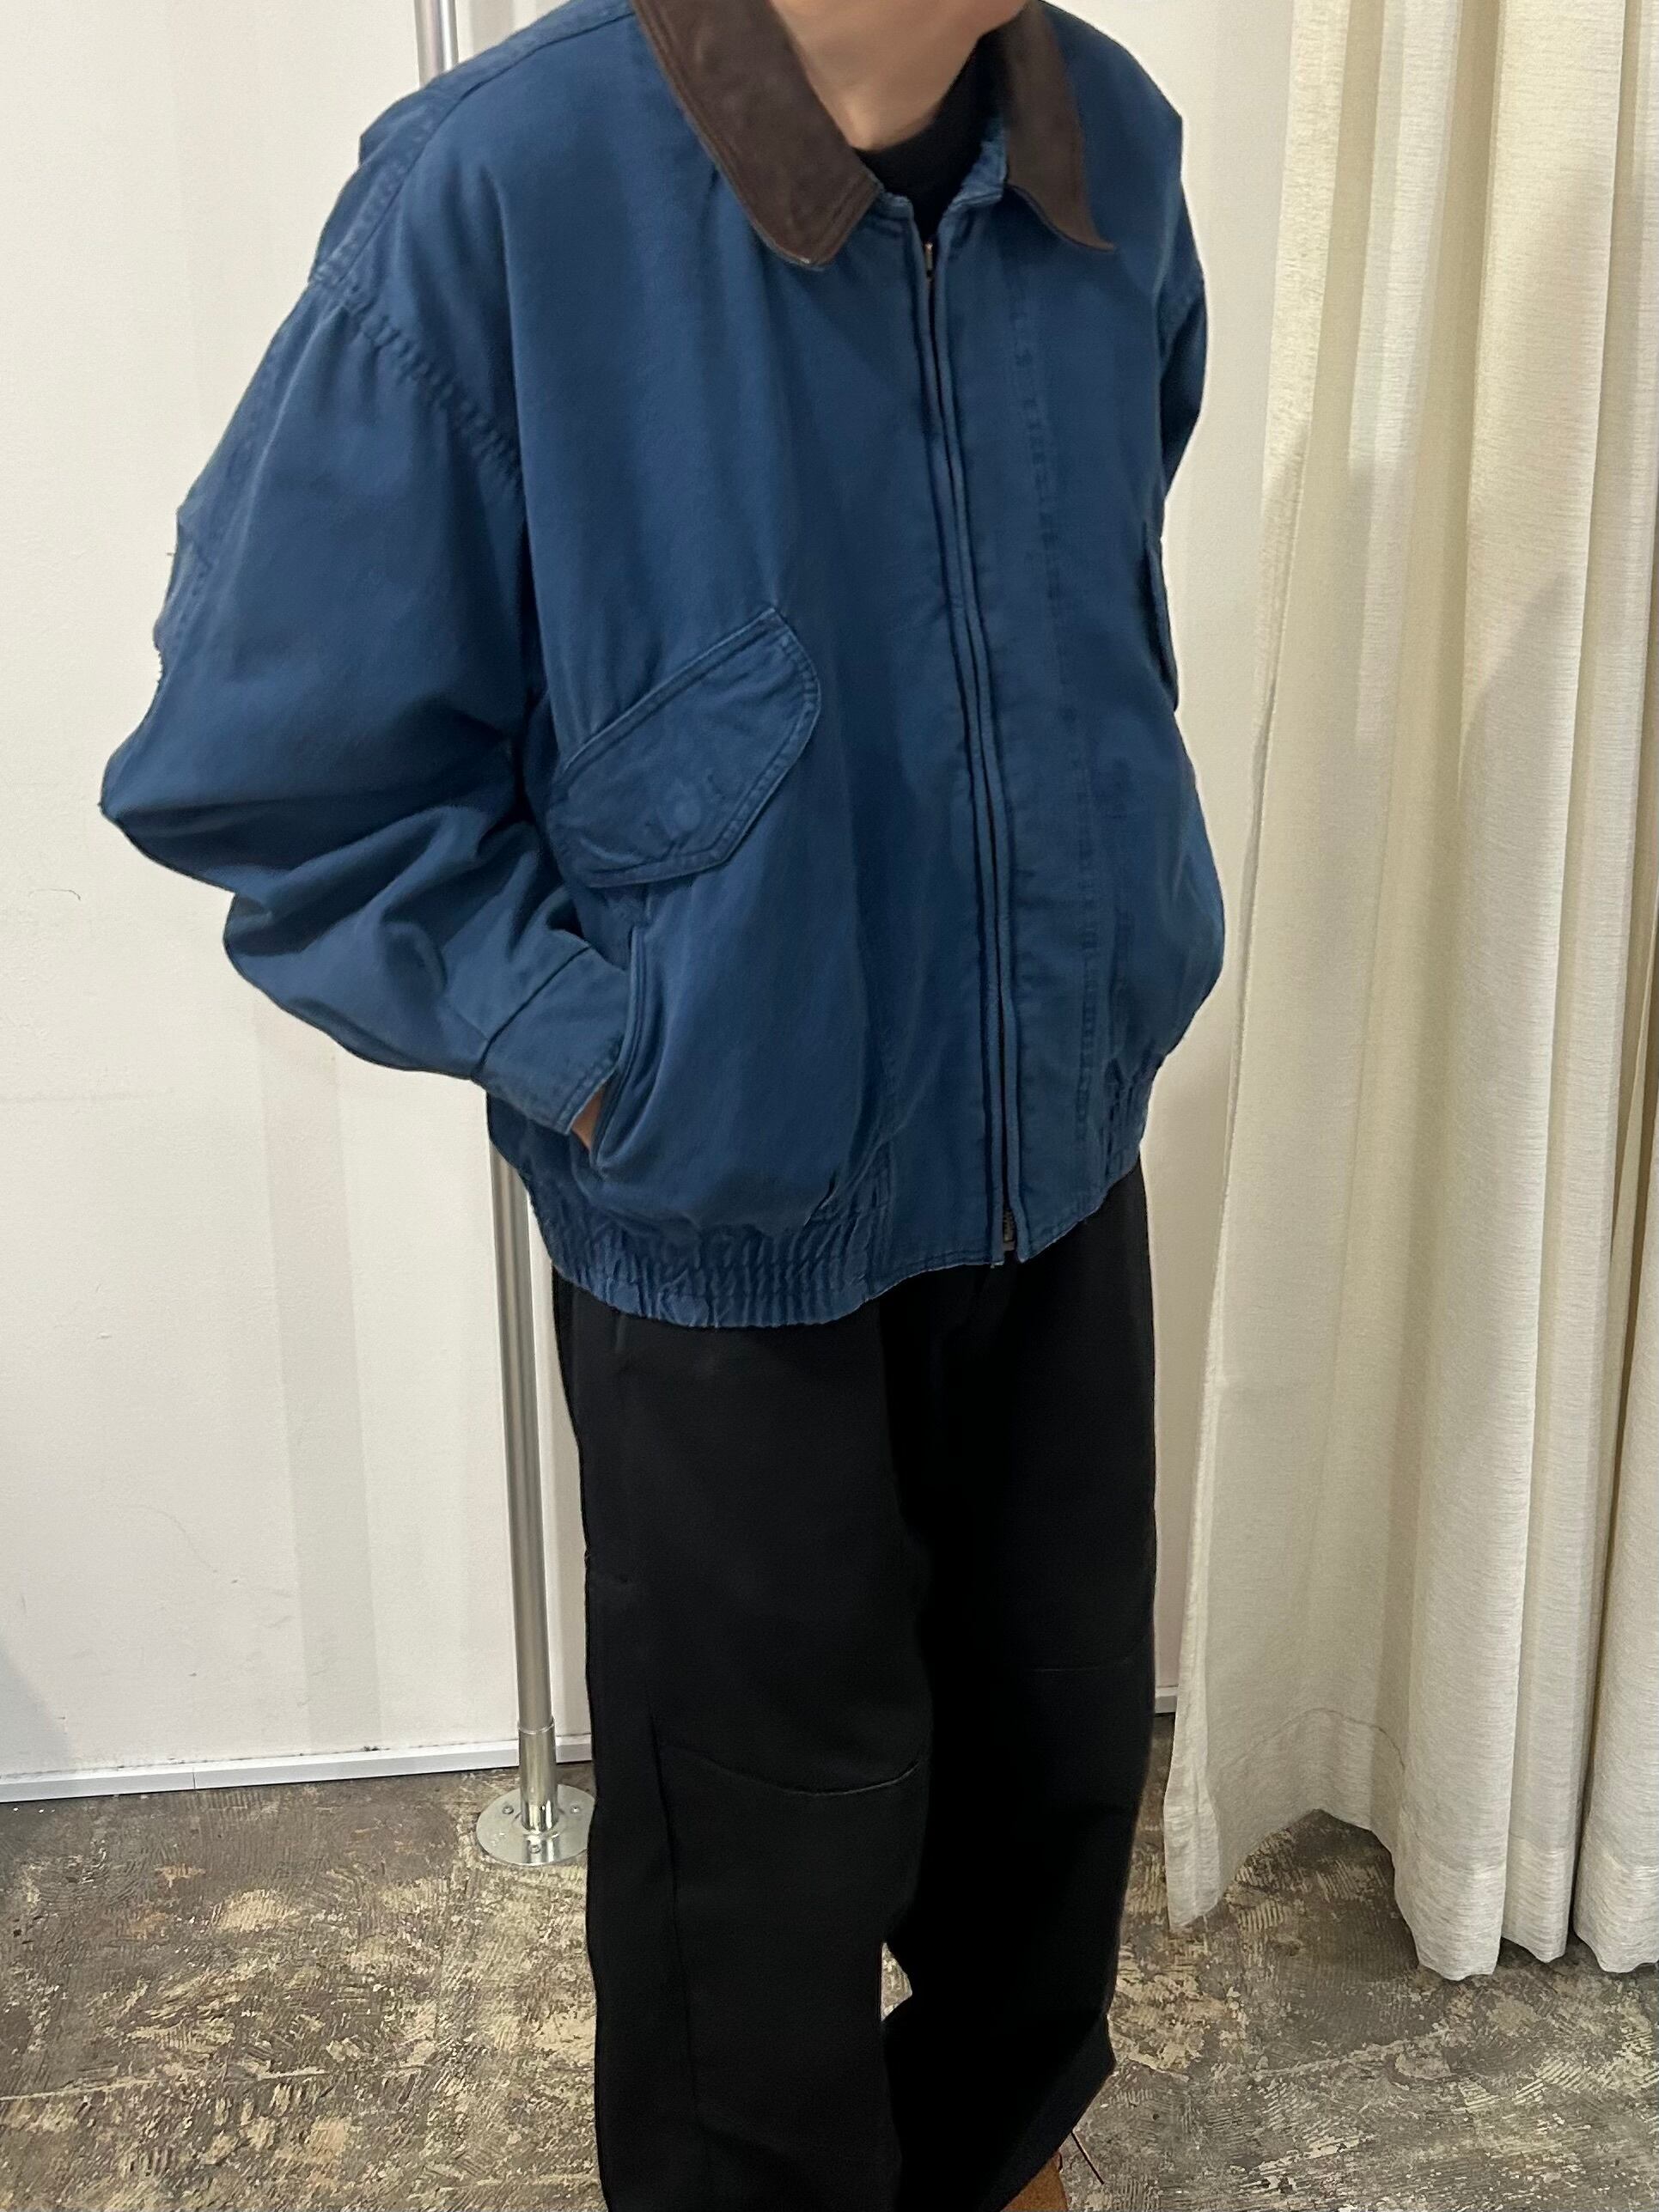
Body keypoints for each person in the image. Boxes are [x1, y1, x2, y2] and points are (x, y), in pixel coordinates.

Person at [100, 1, 1221, 2204]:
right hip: (725, 1213)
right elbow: (264, 766)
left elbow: (1098, 572)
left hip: (1055, 1146)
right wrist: (608, 1049)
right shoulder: (502, 194)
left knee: (1056, 1754)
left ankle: (998, 2157)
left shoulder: (1112, 142)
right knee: (755, 1865)